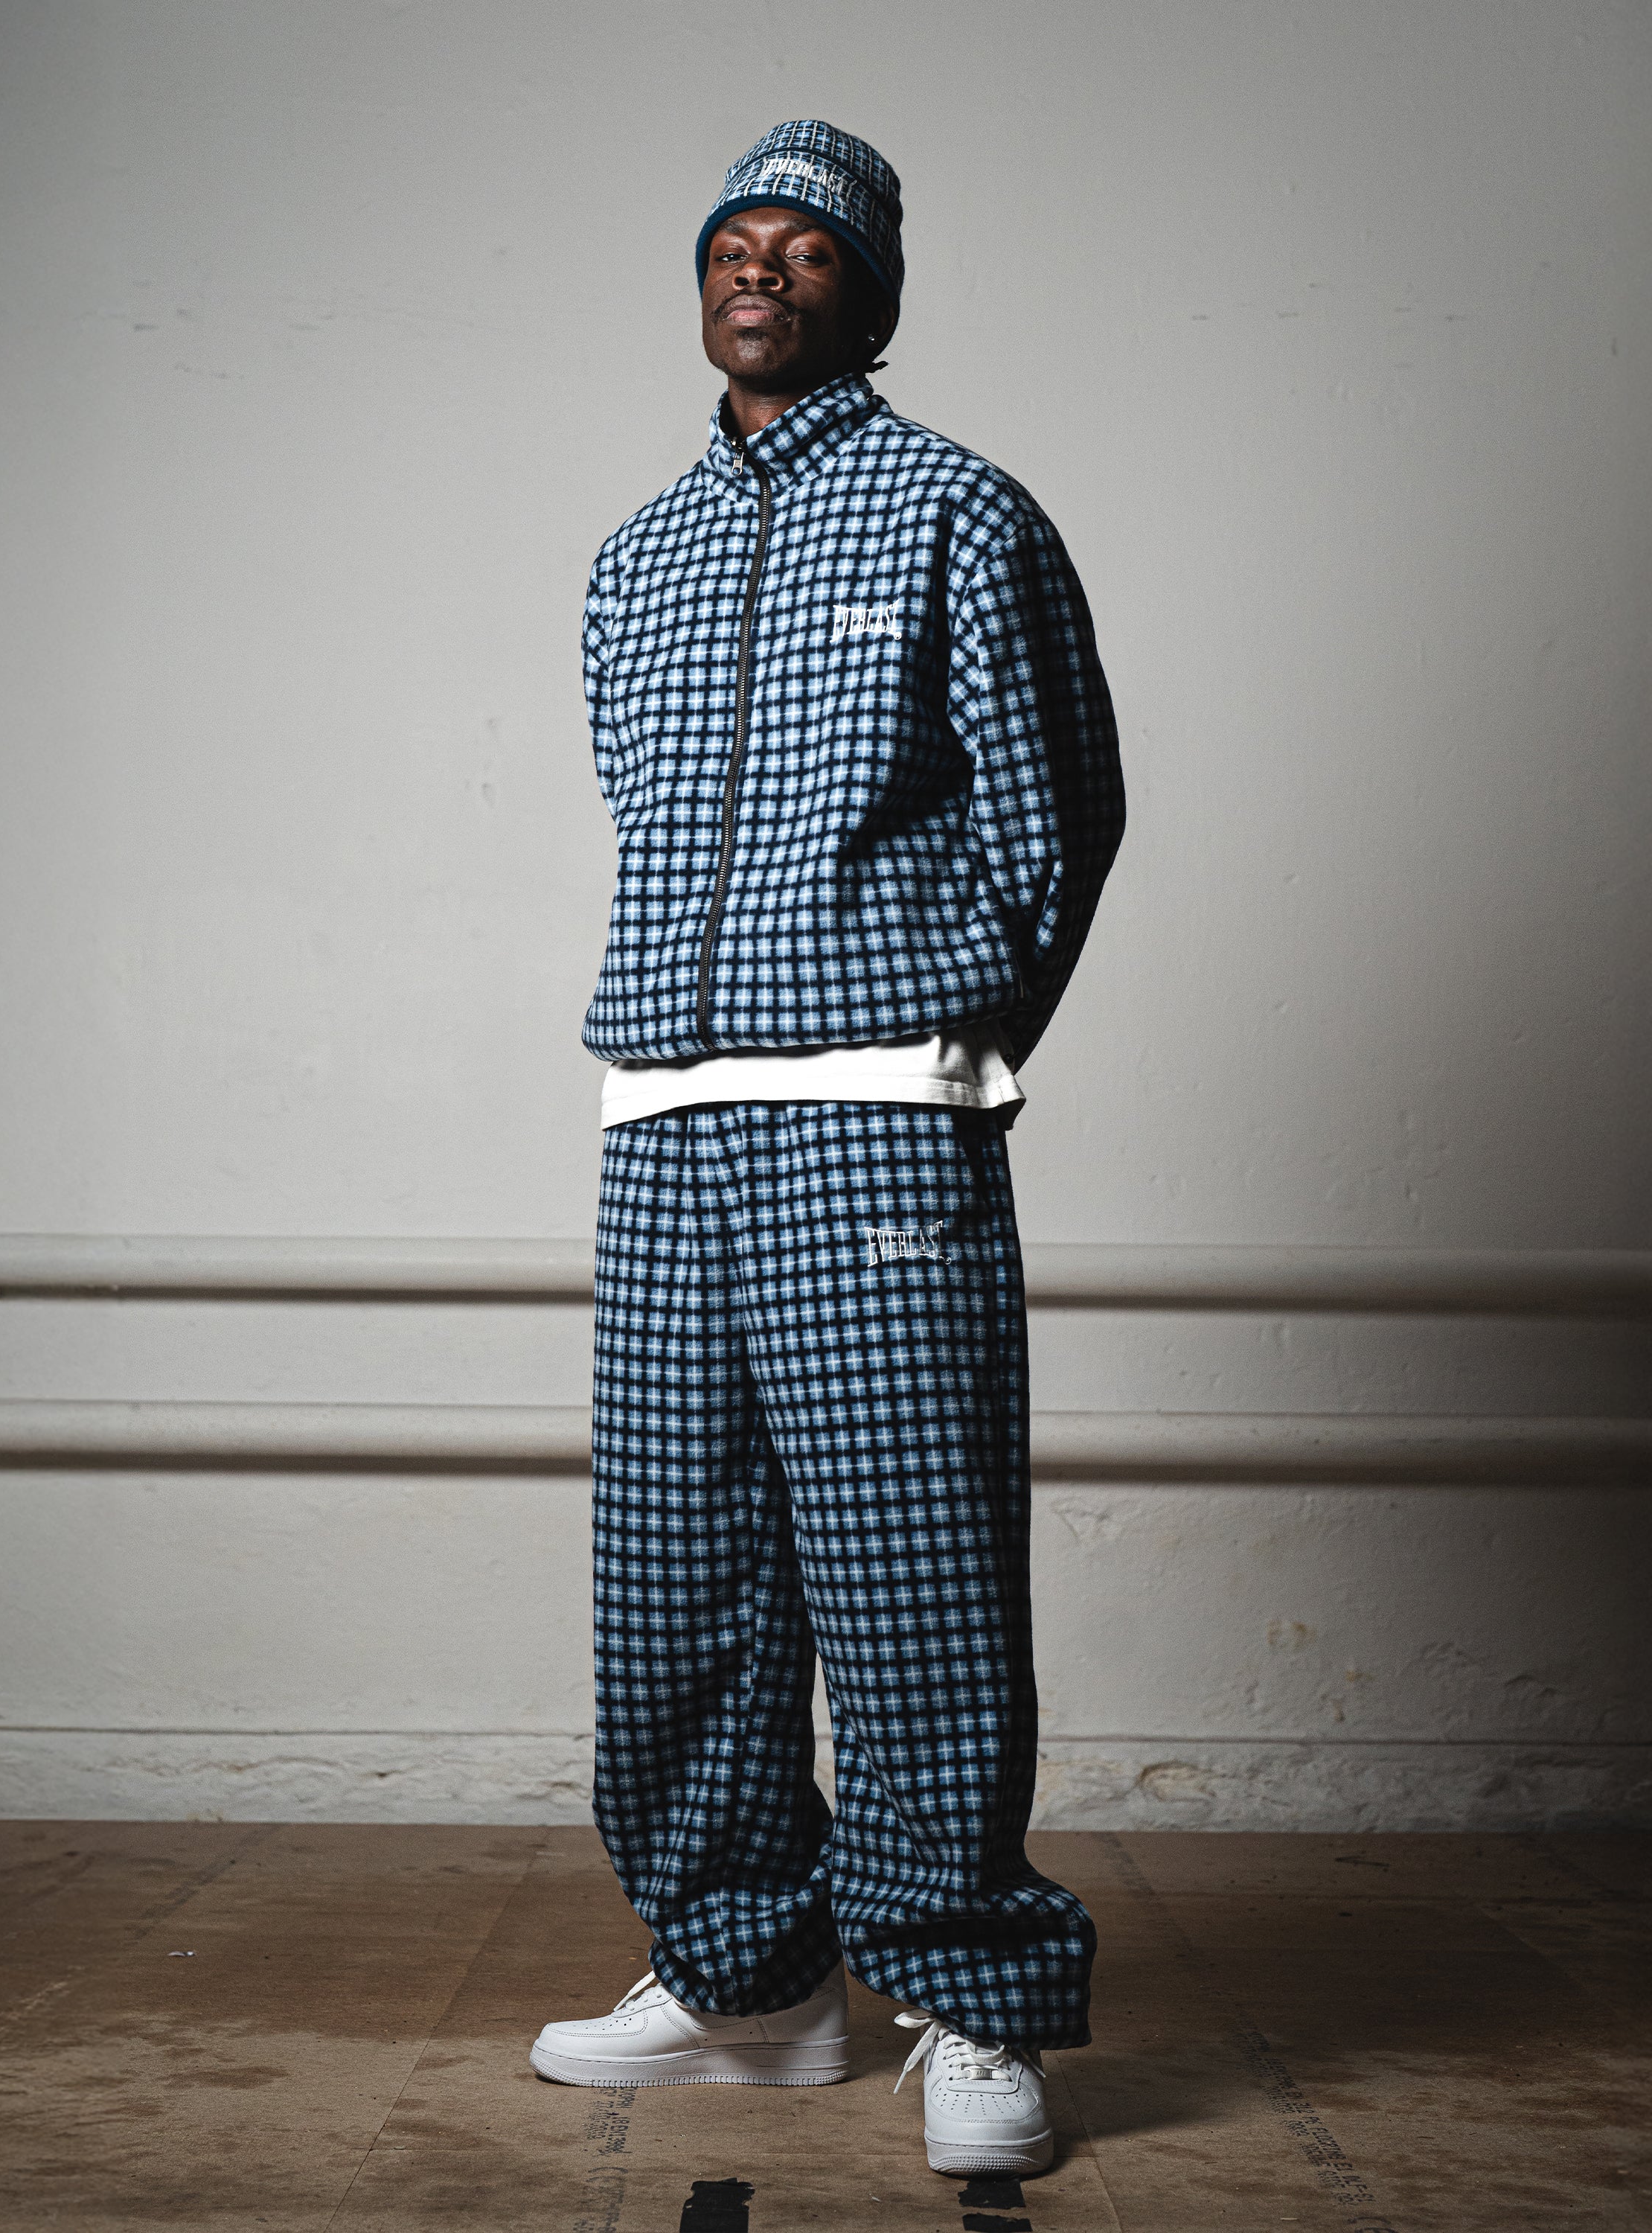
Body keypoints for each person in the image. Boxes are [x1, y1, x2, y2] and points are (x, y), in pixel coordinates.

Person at [528, 120, 1124, 2182]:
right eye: (736, 241)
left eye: (807, 247)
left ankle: (972, 1997)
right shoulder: (635, 555)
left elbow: (1059, 818)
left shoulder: (962, 512)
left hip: (875, 1123)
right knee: (673, 1577)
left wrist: (941, 1036)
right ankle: (750, 1986)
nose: (762, 268)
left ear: (868, 294)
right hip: (664, 1126)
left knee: (909, 1574)